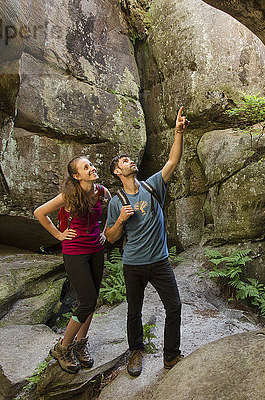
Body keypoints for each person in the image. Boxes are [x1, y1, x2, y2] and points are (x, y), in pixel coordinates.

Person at [105, 106, 188, 376]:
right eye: (125, 161)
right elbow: (109, 237)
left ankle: (171, 355)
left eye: (130, 159)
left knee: (174, 306)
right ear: (118, 172)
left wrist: (178, 133)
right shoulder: (117, 202)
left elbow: (172, 162)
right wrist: (119, 222)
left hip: (159, 262)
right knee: (134, 311)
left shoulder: (152, 186)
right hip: (133, 264)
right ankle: (136, 352)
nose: (130, 162)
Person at [34, 156, 112, 373]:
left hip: (96, 250)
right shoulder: (68, 196)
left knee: (92, 299)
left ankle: (80, 343)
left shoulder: (102, 192)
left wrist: (104, 232)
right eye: (85, 167)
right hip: (75, 252)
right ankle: (63, 347)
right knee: (87, 300)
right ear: (77, 176)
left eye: (91, 165)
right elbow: (39, 213)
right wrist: (59, 235)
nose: (91, 168)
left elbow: (111, 213)